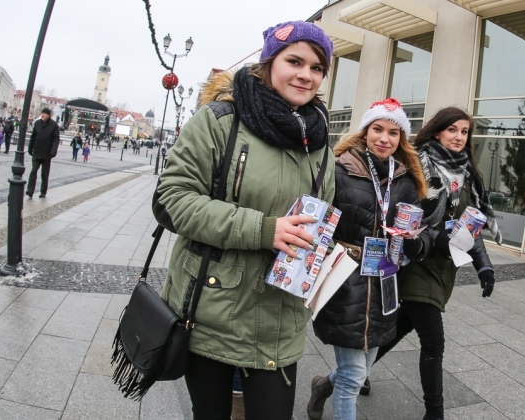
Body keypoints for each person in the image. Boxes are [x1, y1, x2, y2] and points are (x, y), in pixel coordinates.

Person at [152, 20, 335, 420]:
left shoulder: (320, 141)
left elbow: (320, 216)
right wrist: (265, 230)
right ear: (269, 62)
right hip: (212, 310)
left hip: (280, 316)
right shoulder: (220, 120)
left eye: (318, 67)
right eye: (295, 61)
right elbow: (172, 199)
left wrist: (326, 254)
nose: (306, 74)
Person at [368, 107, 502, 420]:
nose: (459, 137)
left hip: (444, 269)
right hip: (416, 263)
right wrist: (439, 239)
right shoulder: (418, 165)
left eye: (465, 132)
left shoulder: (466, 173)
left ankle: (340, 378)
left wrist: (484, 265)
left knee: (393, 333)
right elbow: (405, 216)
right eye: (452, 129)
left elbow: (466, 225)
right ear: (438, 130)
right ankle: (435, 413)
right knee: (433, 341)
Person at [307, 98, 430, 420]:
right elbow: (317, 219)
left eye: (393, 132)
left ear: (401, 139)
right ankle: (327, 387)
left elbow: (420, 229)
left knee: (359, 371)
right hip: (344, 280)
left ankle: (321, 387)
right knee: (352, 377)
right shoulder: (338, 168)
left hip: (384, 281)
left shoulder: (405, 180)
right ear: (364, 132)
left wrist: (417, 244)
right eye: (377, 129)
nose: (384, 139)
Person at [26, 108, 60, 199]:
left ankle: (43, 191)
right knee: (33, 171)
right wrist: (30, 148)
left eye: (45, 113)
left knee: (44, 174)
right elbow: (33, 136)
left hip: (46, 153)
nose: (43, 115)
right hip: (37, 151)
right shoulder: (37, 123)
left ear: (48, 115)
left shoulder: (54, 125)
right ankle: (30, 190)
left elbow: (56, 139)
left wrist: (53, 152)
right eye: (42, 113)